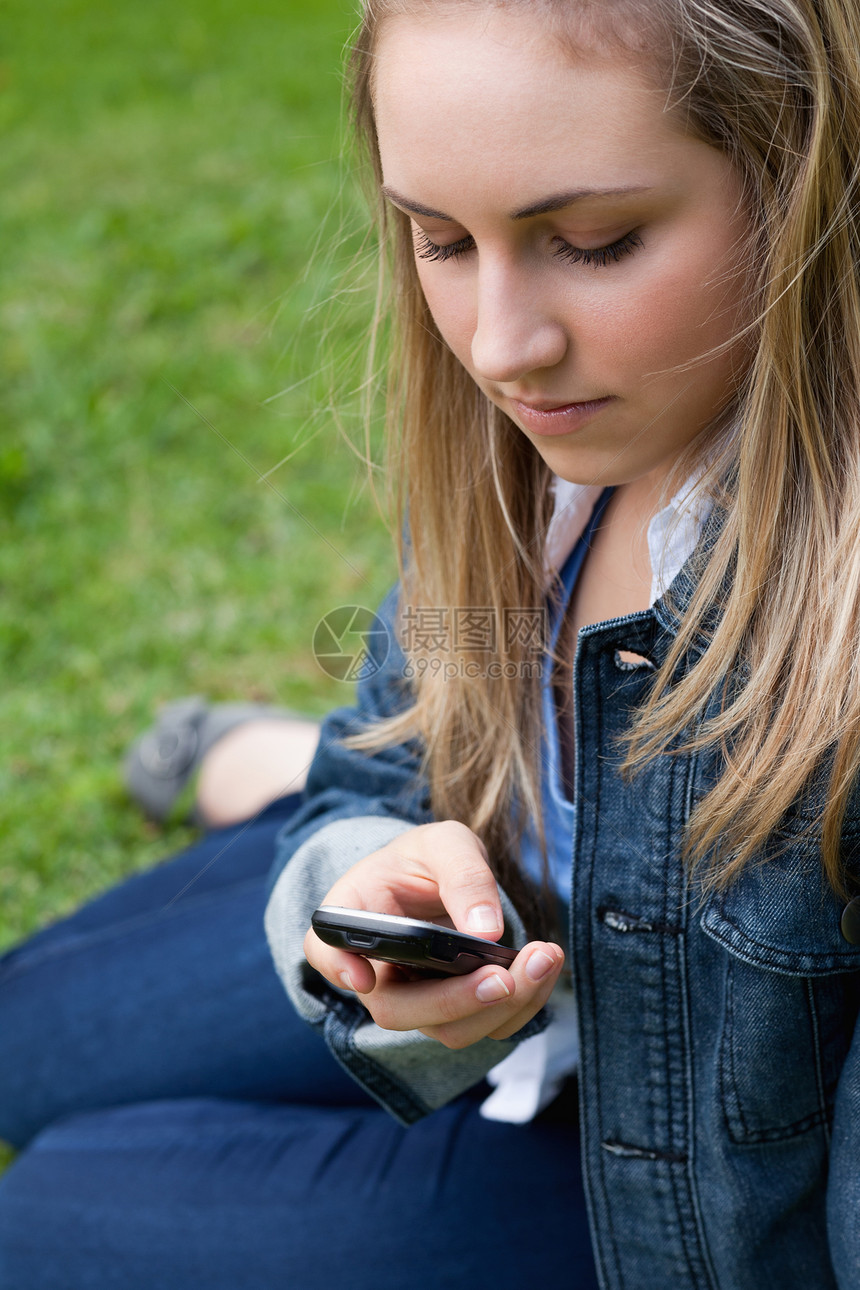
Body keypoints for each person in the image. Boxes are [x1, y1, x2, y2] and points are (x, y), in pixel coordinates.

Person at [2, 0, 860, 1285]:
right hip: (518, 921)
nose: (500, 349)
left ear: (802, 182)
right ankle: (269, 769)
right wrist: (362, 872)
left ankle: (254, 768)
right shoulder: (547, 449)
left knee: (51, 1212)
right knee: (24, 1044)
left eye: (593, 240)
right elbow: (381, 768)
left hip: (658, 1190)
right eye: (440, 239)